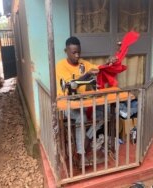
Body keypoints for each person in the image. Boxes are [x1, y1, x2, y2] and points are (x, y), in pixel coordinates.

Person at [56, 36, 109, 166]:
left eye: (79, 52)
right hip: (67, 104)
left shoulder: (84, 64)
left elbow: (98, 68)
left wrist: (109, 63)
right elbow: (73, 83)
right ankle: (81, 155)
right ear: (66, 51)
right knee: (82, 117)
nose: (77, 55)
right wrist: (87, 74)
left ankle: (86, 139)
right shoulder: (60, 66)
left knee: (104, 113)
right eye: (74, 52)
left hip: (84, 103)